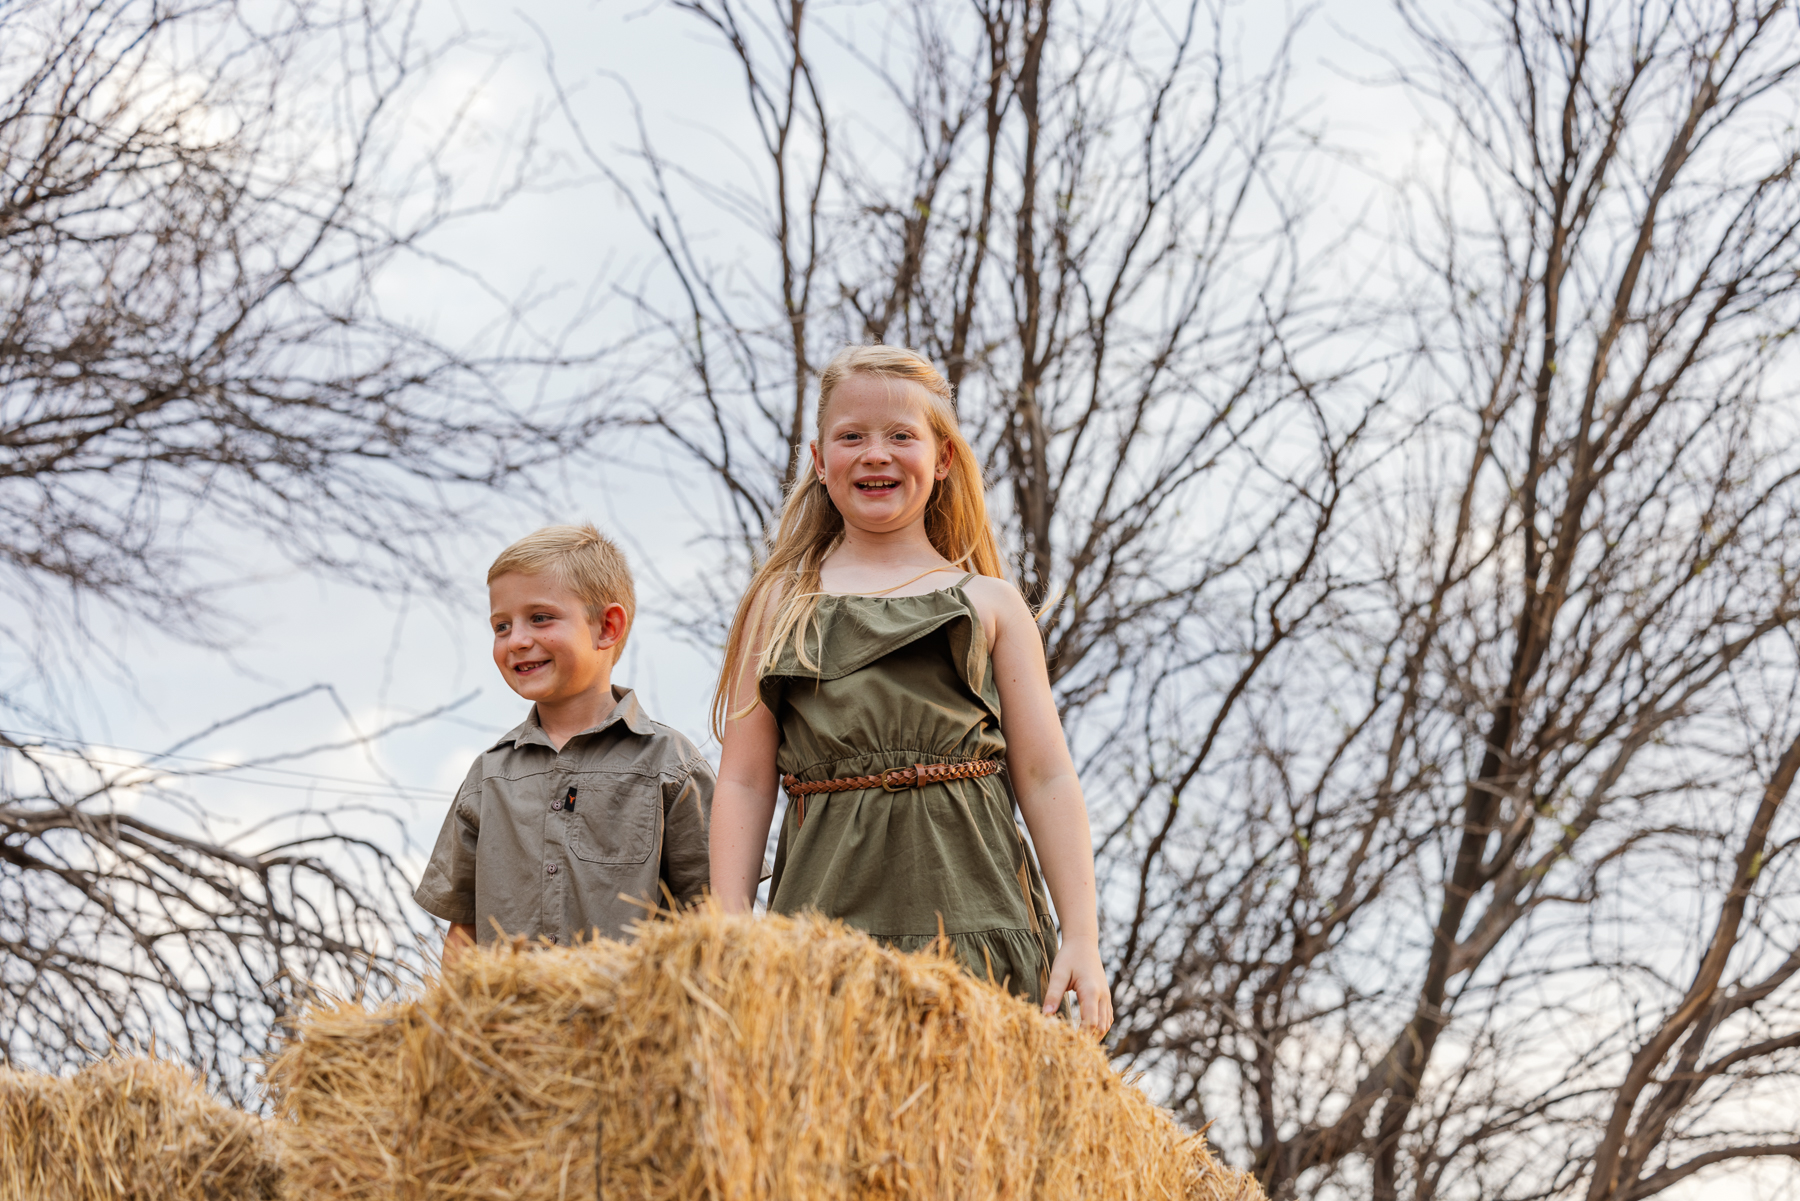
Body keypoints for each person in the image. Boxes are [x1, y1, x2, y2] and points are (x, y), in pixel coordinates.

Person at [709, 346, 1114, 1033]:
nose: (876, 454)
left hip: (979, 917)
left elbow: (1046, 776)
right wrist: (726, 926)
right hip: (823, 916)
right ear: (818, 458)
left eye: (901, 435)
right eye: (852, 436)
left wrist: (1083, 935)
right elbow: (745, 781)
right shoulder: (780, 601)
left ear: (944, 458)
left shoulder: (991, 604)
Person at [416, 524, 714, 967]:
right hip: (512, 1032)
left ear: (607, 627)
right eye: (501, 626)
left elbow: (712, 914)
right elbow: (464, 931)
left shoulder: (671, 765)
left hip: (634, 1028)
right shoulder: (488, 777)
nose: (516, 640)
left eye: (540, 618)